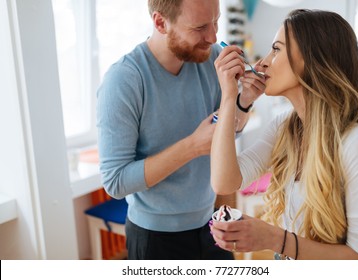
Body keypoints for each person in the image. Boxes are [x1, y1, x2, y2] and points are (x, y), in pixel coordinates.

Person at [96, 0, 263, 260]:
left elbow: (226, 134)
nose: (213, 37)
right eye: (199, 27)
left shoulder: (212, 59)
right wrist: (192, 146)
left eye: (215, 21)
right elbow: (115, 182)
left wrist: (243, 101)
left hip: (211, 222)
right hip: (155, 238)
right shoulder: (124, 80)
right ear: (161, 22)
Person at [209, 9, 358, 260]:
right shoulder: (285, 127)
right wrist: (229, 97)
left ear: (313, 60)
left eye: (276, 49)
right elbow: (225, 182)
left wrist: (273, 238)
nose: (263, 62)